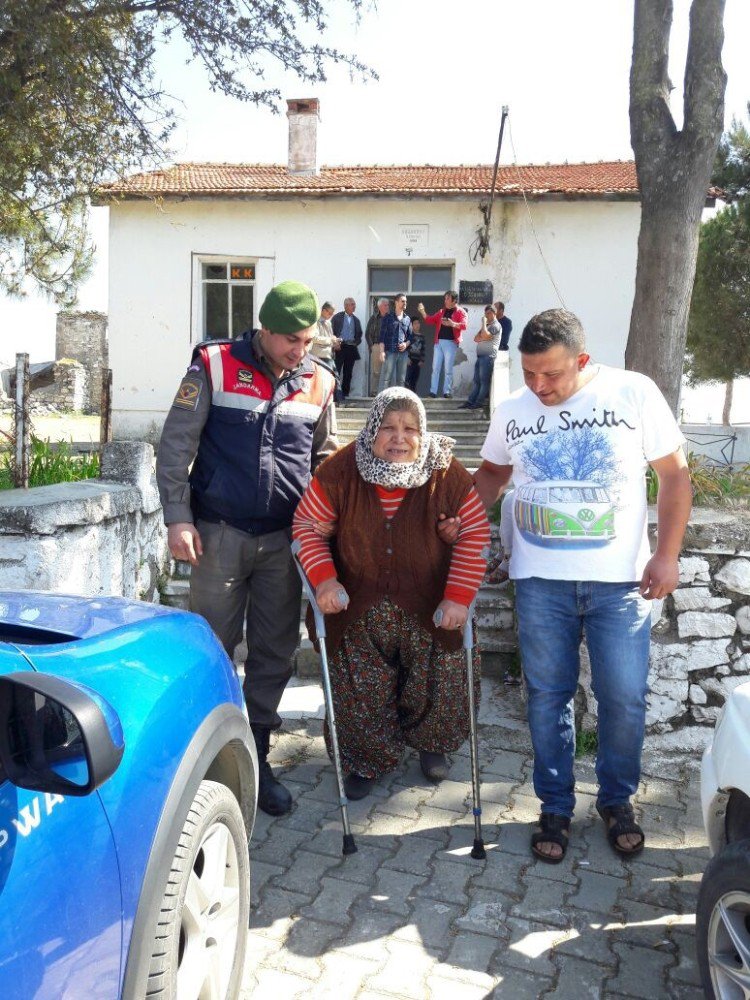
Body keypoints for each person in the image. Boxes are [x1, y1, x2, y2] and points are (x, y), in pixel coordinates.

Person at [474, 308, 692, 863]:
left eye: (552, 375)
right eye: (529, 374)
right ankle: (554, 805)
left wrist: (666, 555)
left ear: (583, 361)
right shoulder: (513, 409)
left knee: (622, 699)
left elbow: (674, 475)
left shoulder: (632, 392)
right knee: (547, 698)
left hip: (620, 586)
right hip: (539, 583)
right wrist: (462, 515)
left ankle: (617, 801)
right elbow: (495, 474)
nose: (540, 387)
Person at [156, 281, 338, 817]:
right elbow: (176, 444)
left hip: (285, 541)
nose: (298, 352)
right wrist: (177, 517)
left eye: (306, 341)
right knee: (213, 647)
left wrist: (327, 527)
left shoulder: (320, 381)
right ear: (263, 328)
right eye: (289, 340)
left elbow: (325, 458)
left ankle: (257, 752)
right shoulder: (213, 364)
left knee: (275, 652)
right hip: (218, 534)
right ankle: (211, 757)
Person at [292, 387, 490, 798]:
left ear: (423, 433)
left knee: (440, 675)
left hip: (431, 602)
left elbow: (473, 531)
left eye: (410, 429)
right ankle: (365, 760)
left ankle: (432, 747)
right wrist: (325, 580)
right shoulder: (340, 470)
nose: (400, 438)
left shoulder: (446, 472)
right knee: (358, 687)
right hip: (355, 602)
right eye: (388, 427)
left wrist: (458, 597)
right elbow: (307, 527)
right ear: (370, 430)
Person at [418, 290, 467, 398]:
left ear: (454, 300)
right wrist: (422, 311)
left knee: (448, 369)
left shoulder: (460, 312)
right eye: (445, 298)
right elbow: (429, 320)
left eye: (448, 298)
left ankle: (447, 392)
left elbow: (464, 326)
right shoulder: (441, 312)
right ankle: (433, 392)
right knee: (435, 368)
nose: (445, 300)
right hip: (438, 343)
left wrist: (452, 323)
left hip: (451, 343)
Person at [460, 304, 501, 410]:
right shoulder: (487, 326)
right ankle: (470, 402)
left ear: (494, 313)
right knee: (477, 381)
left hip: (488, 357)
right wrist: (484, 330)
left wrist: (483, 323)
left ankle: (478, 403)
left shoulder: (495, 325)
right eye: (485, 314)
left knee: (484, 382)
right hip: (480, 357)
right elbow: (476, 338)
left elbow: (486, 336)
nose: (486, 315)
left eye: (488, 313)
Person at [378, 292, 412, 390]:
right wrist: (381, 352)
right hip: (390, 352)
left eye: (406, 301)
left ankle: (399, 401)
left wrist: (406, 344)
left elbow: (410, 337)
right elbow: (382, 337)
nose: (405, 303)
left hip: (403, 353)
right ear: (396, 302)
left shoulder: (407, 319)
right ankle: (384, 401)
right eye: (402, 301)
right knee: (387, 379)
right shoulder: (387, 318)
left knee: (401, 380)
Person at [332, 297, 363, 399]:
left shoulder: (356, 320)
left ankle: (345, 395)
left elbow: (359, 334)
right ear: (346, 306)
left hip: (351, 348)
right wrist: (335, 343)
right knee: (336, 371)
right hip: (340, 347)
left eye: (354, 304)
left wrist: (356, 342)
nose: (354, 306)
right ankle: (334, 394)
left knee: (348, 373)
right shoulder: (337, 318)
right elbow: (331, 332)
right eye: (352, 304)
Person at [367, 298, 390, 395]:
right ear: (380, 306)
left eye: (388, 305)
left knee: (389, 372)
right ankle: (373, 392)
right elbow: (368, 333)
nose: (388, 307)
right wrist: (371, 346)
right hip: (376, 346)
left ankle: (388, 393)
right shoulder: (374, 318)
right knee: (376, 372)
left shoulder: (391, 317)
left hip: (389, 347)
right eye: (386, 305)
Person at [404, 316, 426, 392]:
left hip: (417, 361)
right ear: (411, 325)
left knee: (414, 380)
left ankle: (413, 396)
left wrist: (422, 360)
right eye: (415, 323)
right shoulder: (409, 336)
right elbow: (406, 348)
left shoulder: (422, 337)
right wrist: (407, 357)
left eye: (418, 323)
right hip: (410, 361)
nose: (417, 325)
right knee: (407, 379)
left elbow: (423, 349)